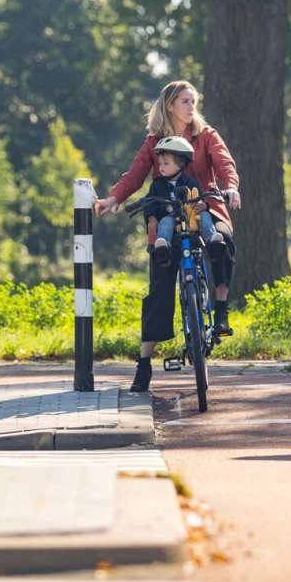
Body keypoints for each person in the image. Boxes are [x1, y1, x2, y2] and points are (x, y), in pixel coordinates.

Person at [95, 80, 242, 393]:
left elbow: (224, 163)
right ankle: (144, 363)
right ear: (170, 105)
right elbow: (135, 174)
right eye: (185, 101)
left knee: (223, 240)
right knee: (160, 287)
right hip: (166, 213)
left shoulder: (205, 135)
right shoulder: (154, 142)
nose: (191, 106)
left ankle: (221, 310)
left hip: (204, 207)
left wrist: (230, 187)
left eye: (193, 101)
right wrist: (114, 198)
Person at [144, 136, 225, 268]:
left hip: (192, 215)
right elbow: (150, 203)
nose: (161, 167)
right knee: (164, 222)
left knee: (205, 215)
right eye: (160, 164)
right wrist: (151, 218)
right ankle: (163, 247)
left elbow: (201, 197)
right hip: (172, 217)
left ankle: (212, 240)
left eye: (166, 163)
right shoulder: (157, 185)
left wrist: (203, 205)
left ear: (179, 165)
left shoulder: (191, 182)